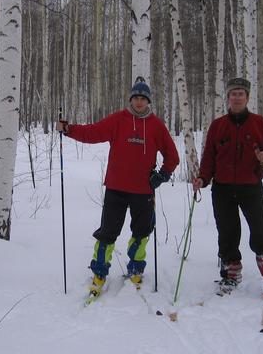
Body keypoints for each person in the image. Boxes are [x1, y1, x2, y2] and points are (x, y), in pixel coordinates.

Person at [57, 81, 179, 296]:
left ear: (148, 101)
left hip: (143, 191)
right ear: (130, 99)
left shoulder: (156, 125)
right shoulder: (118, 119)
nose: (139, 102)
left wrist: (162, 175)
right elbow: (93, 133)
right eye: (136, 98)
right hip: (116, 188)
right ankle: (100, 273)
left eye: (143, 98)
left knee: (141, 233)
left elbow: (172, 155)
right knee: (107, 233)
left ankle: (135, 270)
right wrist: (69, 129)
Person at [192, 77, 263, 306]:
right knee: (227, 233)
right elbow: (209, 156)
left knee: (261, 232)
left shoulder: (259, 123)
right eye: (233, 93)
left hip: (250, 187)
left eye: (241, 93)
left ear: (247, 97)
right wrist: (203, 178)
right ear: (228, 97)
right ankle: (231, 274)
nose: (236, 97)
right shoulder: (218, 125)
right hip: (222, 189)